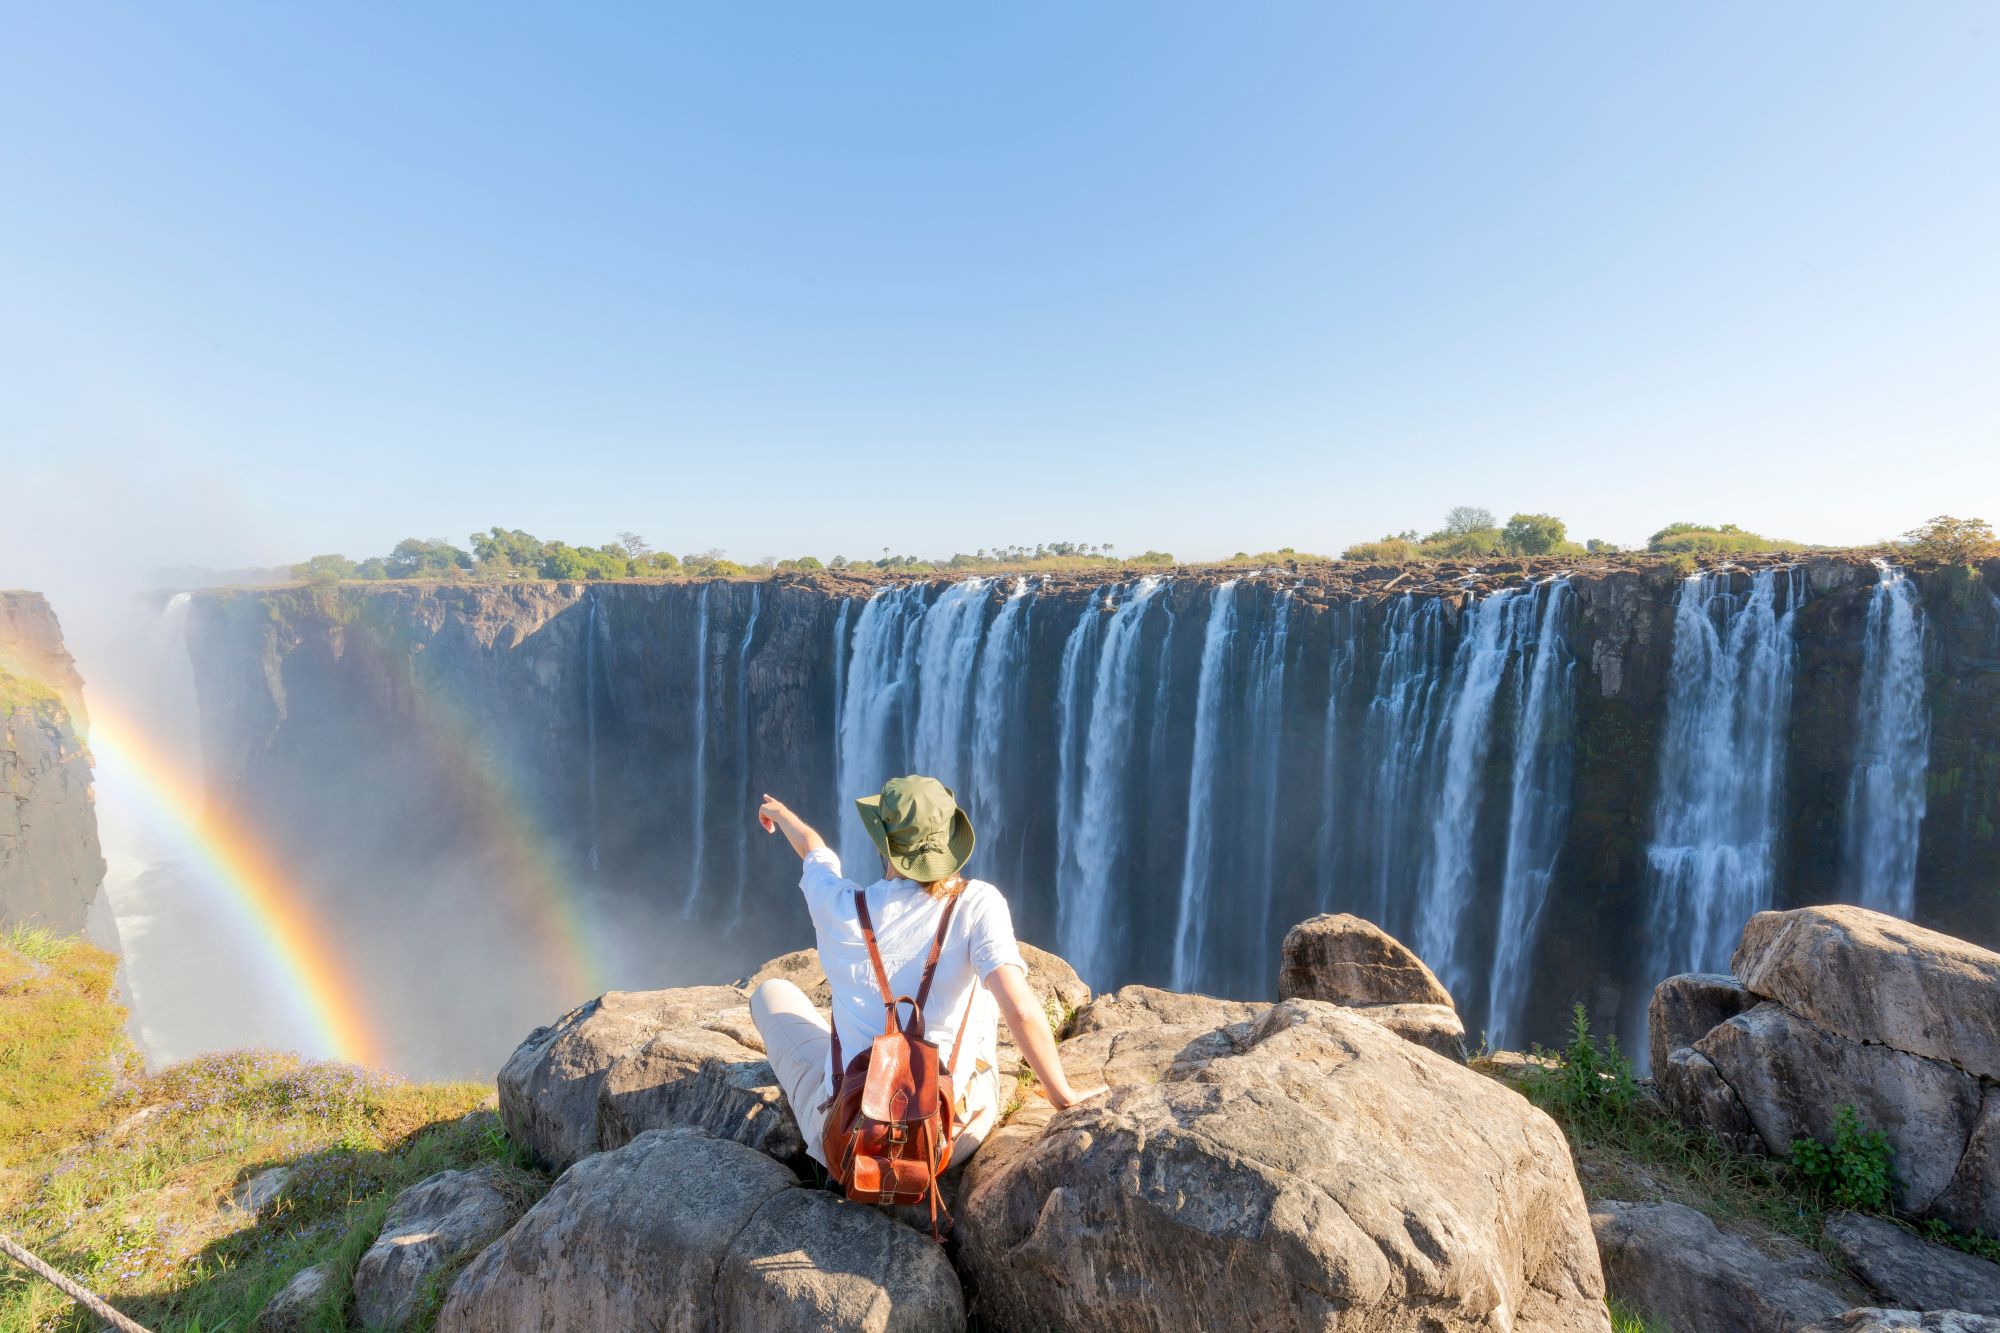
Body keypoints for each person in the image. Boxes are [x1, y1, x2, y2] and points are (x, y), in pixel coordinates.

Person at [751, 775, 1104, 1171]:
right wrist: (1063, 1096)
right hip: (943, 1143)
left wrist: (780, 814)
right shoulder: (977, 903)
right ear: (948, 842)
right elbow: (1020, 1010)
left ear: (883, 843)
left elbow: (813, 850)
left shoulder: (837, 904)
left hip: (853, 1146)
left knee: (770, 994)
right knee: (985, 988)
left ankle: (837, 1101)